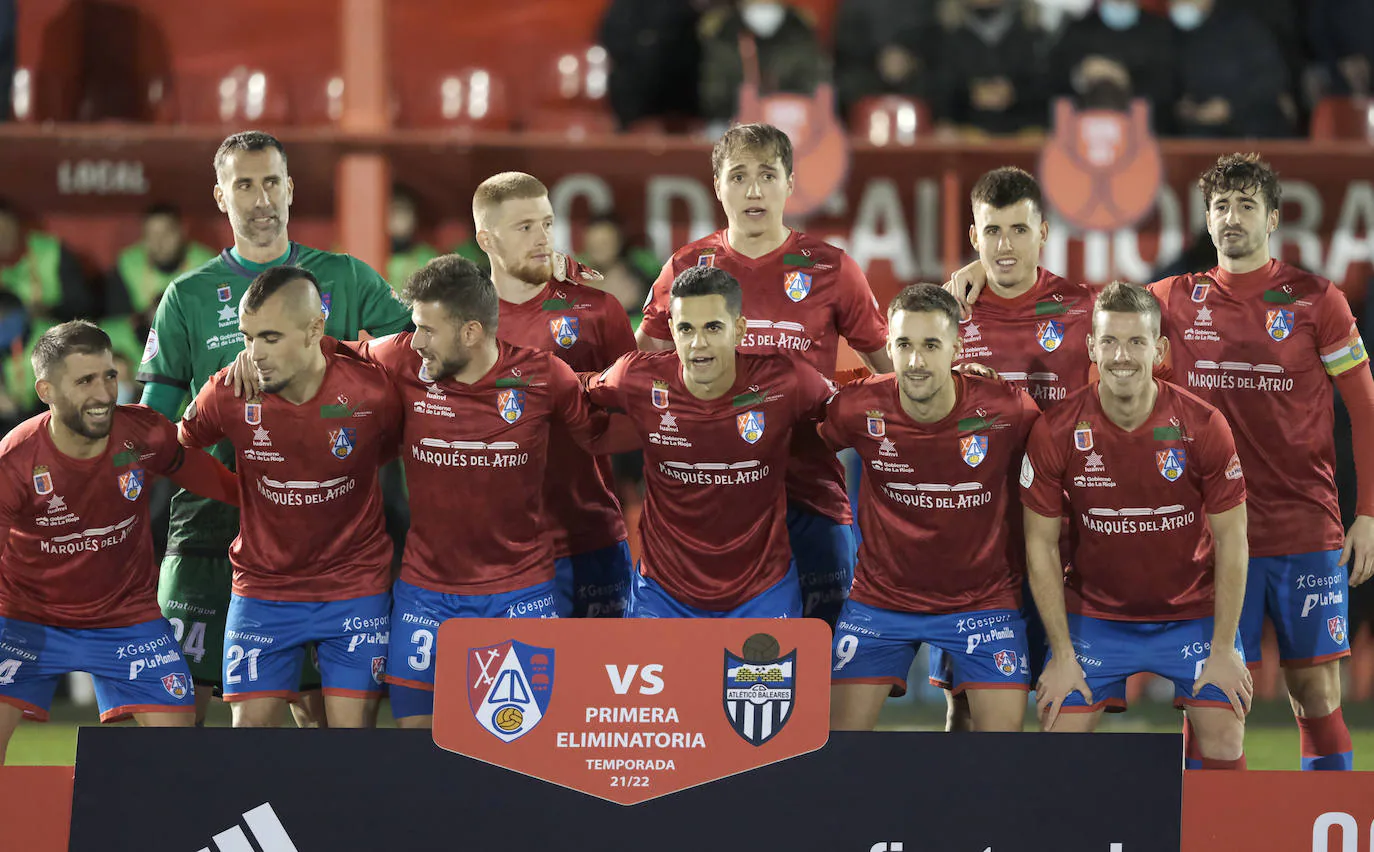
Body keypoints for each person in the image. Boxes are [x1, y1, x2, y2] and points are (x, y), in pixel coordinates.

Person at [948, 152, 1374, 771]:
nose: (1232, 219)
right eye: (1221, 206)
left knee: (1317, 696)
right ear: (1206, 217)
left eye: (1247, 206)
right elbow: (1107, 312)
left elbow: (1365, 409)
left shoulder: (1317, 301)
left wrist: (1369, 515)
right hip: (1209, 540)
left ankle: (1328, 824)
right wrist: (988, 268)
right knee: (1217, 700)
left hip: (1303, 528)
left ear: (1274, 219)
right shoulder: (1173, 300)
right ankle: (1208, 829)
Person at [137, 130, 412, 726]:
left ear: (290, 189)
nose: (260, 199)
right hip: (207, 532)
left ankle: (319, 823)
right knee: (176, 712)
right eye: (244, 185)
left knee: (320, 717)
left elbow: (414, 364)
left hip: (324, 541)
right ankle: (195, 823)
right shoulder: (185, 296)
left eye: (270, 183)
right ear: (220, 196)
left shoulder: (347, 277)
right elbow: (155, 424)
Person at [637, 123, 891, 626]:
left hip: (809, 493)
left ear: (790, 183)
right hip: (710, 509)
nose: (754, 190)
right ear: (717, 185)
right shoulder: (687, 267)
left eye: (768, 175)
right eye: (738, 176)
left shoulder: (833, 269)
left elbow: (891, 378)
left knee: (822, 670)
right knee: (711, 680)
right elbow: (647, 369)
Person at [360, 255, 605, 727]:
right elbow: (329, 357)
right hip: (425, 594)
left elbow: (602, 434)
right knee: (418, 744)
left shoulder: (545, 377)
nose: (418, 342)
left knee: (517, 747)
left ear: (471, 332)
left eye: (429, 330)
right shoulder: (402, 358)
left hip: (521, 592)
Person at [1022, 281, 1251, 770]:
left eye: (1136, 342)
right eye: (1109, 341)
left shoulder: (1204, 425)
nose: (1121, 355)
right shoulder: (1057, 430)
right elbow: (1039, 544)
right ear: (1090, 347)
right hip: (1095, 618)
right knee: (1055, 743)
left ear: (1160, 349)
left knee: (1225, 739)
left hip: (1191, 613)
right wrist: (1061, 655)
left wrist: (1226, 647)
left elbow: (1233, 539)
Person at [0, 321, 238, 762]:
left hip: (124, 616)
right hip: (26, 618)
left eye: (109, 376)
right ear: (46, 390)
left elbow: (200, 471)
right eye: (85, 381)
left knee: (181, 756)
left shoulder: (141, 434)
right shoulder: (15, 462)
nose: (105, 393)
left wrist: (259, 500)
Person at [178, 268, 401, 729]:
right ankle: (263, 810)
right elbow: (183, 446)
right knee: (249, 744)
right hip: (265, 588)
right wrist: (232, 491)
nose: (254, 354)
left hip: (354, 584)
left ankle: (336, 806)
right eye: (248, 336)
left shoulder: (372, 389)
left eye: (271, 338)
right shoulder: (230, 391)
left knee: (350, 745)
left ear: (315, 329)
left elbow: (397, 445)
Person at [825, 284, 1040, 732]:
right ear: (889, 346)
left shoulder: (1006, 408)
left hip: (983, 603)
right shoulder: (858, 407)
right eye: (904, 345)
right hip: (880, 601)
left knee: (1003, 760)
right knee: (834, 749)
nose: (916, 361)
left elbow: (1055, 471)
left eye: (931, 346)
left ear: (957, 348)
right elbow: (797, 451)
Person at [928, 166, 1094, 731]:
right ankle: (956, 819)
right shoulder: (945, 318)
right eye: (992, 231)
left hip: (1059, 536)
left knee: (1060, 698)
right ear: (973, 236)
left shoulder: (1083, 308)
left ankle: (1042, 819)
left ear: (1043, 232)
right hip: (975, 537)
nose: (1005, 246)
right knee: (966, 705)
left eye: (1019, 230)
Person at [590, 265, 835, 618]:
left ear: (739, 330)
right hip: (662, 596)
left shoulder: (787, 381)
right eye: (686, 328)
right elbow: (566, 391)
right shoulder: (635, 377)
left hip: (763, 594)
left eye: (713, 328)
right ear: (671, 329)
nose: (698, 343)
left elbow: (858, 411)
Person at [473, 174, 637, 618]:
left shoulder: (597, 310)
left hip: (592, 539)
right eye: (524, 227)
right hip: (496, 551)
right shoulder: (462, 324)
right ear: (485, 238)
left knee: (601, 685)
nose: (542, 238)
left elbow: (640, 415)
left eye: (546, 224)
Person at [103, 203, 216, 362]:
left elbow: (214, 315)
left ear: (181, 231)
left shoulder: (207, 263)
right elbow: (117, 315)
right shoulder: (128, 262)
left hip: (191, 339)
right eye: (151, 236)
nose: (159, 243)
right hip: (141, 339)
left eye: (166, 233)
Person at [386, 185, 439, 295]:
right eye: (393, 210)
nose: (399, 217)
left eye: (405, 210)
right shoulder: (365, 254)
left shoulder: (427, 257)